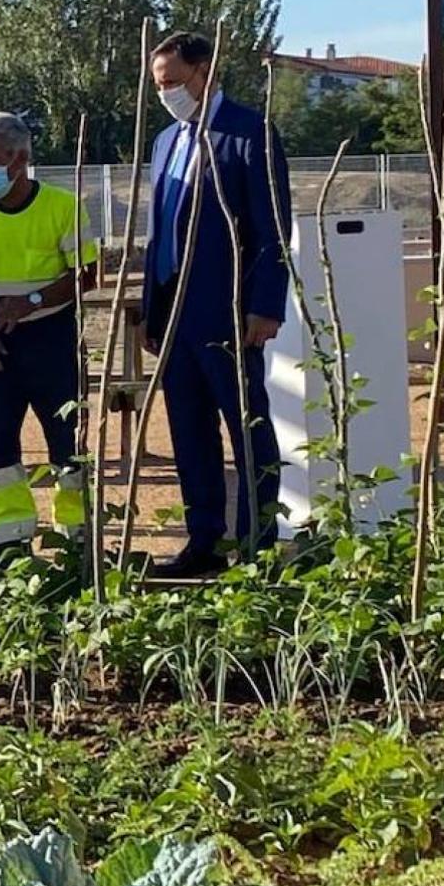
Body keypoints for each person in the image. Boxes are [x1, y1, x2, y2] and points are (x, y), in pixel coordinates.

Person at [140, 30, 292, 577]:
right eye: (159, 85)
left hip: (227, 310)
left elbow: (272, 228)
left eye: (175, 82)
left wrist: (265, 305)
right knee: (189, 428)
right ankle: (203, 541)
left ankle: (257, 546)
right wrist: (151, 310)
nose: (167, 92)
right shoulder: (165, 141)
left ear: (206, 71)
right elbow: (161, 230)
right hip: (175, 313)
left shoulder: (249, 133)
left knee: (247, 426)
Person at [0, 112, 98, 577]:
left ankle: (75, 543)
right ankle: (10, 545)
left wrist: (30, 301)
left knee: (67, 440)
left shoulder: (61, 206)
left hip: (52, 336)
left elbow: (86, 275)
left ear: (22, 158)